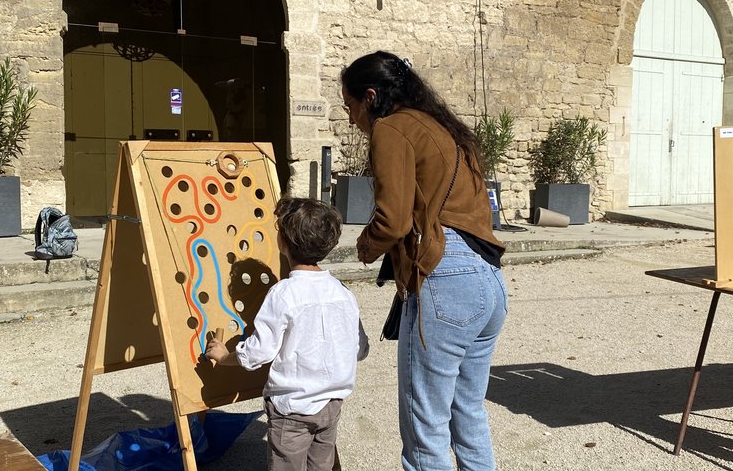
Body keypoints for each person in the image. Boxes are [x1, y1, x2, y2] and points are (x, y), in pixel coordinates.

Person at [341, 50, 507, 471]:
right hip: (486, 278)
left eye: (350, 105)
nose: (350, 119)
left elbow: (393, 220)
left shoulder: (392, 128)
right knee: (469, 416)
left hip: (444, 278)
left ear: (371, 96)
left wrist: (364, 247)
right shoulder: (443, 127)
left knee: (425, 429)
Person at [204, 196, 369, 471]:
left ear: (283, 242)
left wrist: (224, 356)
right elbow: (360, 349)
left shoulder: (283, 294)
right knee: (322, 466)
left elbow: (259, 352)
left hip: (291, 410)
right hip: (331, 406)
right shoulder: (343, 292)